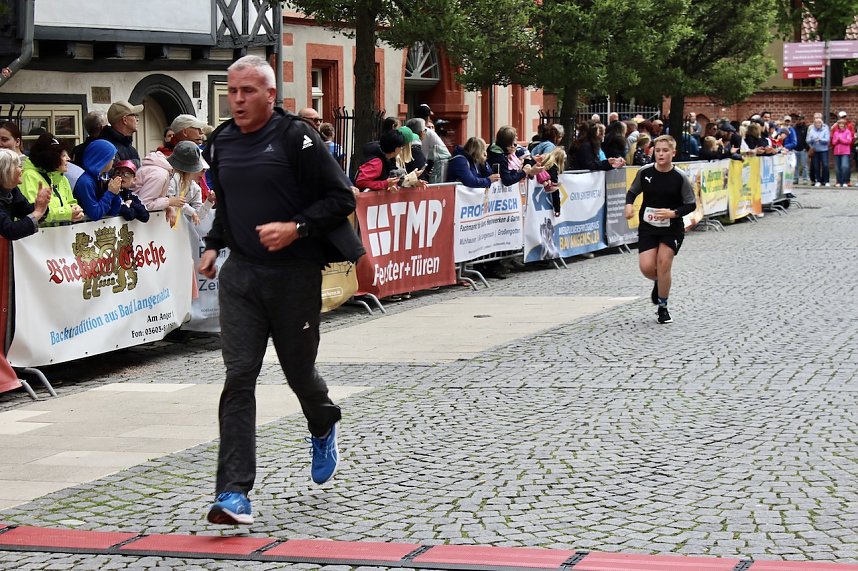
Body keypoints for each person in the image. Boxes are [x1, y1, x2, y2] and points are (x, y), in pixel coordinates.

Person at [198, 55, 361, 526]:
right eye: (233, 91)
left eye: (249, 91)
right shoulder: (222, 141)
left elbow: (340, 199)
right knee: (239, 378)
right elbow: (227, 203)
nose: (239, 100)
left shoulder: (297, 137)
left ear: (271, 94)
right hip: (242, 276)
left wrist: (296, 227)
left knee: (298, 371)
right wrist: (213, 245)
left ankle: (323, 418)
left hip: (294, 275)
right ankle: (232, 493)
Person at [623, 135, 696, 325]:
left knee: (664, 263)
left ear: (673, 153)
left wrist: (673, 213)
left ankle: (663, 307)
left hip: (671, 228)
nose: (661, 154)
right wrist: (628, 206)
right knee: (647, 267)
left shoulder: (679, 177)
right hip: (648, 226)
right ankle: (659, 282)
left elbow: (691, 204)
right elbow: (632, 192)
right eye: (657, 150)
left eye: (665, 151)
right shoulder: (645, 172)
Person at [19, 133, 84, 225]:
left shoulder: (62, 178)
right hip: (38, 236)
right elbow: (34, 212)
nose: (68, 158)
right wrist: (67, 213)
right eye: (63, 156)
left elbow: (71, 202)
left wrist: (77, 210)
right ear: (51, 158)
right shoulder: (29, 176)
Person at [0, 148, 50, 240]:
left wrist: (41, 204)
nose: (22, 169)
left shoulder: (13, 190)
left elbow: (26, 211)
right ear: (5, 171)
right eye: (18, 166)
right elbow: (10, 230)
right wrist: (38, 212)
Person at [74, 139, 123, 221]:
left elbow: (113, 211)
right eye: (112, 159)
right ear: (103, 160)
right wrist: (110, 193)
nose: (113, 162)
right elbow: (95, 214)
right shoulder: (85, 182)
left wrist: (116, 193)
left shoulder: (103, 176)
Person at [165, 140, 206, 226]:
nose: (203, 174)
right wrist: (191, 211)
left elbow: (198, 215)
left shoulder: (195, 188)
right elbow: (171, 199)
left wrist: (209, 202)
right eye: (202, 170)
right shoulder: (170, 177)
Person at [100, 99, 144, 168]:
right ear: (125, 120)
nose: (137, 119)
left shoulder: (129, 147)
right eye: (134, 115)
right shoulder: (107, 148)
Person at [539, 146, 566, 217]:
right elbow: (555, 191)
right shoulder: (553, 167)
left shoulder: (546, 160)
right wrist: (557, 209)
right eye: (564, 159)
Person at [806, 114, 830, 187]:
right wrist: (813, 140)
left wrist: (820, 140)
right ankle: (818, 180)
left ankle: (826, 181)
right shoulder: (812, 130)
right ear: (814, 124)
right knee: (816, 166)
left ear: (821, 123)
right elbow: (808, 140)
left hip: (824, 150)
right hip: (815, 150)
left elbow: (827, 140)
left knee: (825, 165)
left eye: (819, 123)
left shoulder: (825, 129)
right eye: (816, 123)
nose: (818, 124)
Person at [831, 116, 853, 187]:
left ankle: (845, 181)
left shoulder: (848, 132)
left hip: (845, 152)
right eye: (840, 124)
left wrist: (841, 140)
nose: (841, 125)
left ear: (845, 125)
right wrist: (837, 140)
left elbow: (849, 141)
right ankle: (838, 181)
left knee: (845, 166)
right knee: (837, 168)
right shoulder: (836, 132)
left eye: (842, 124)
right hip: (837, 152)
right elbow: (833, 142)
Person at [793, 115, 810, 185]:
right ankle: (795, 178)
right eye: (798, 119)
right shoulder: (794, 128)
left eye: (801, 119)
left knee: (804, 165)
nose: (799, 121)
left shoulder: (806, 128)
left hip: (803, 149)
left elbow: (808, 138)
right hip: (795, 149)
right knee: (796, 165)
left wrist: (806, 147)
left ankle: (805, 179)